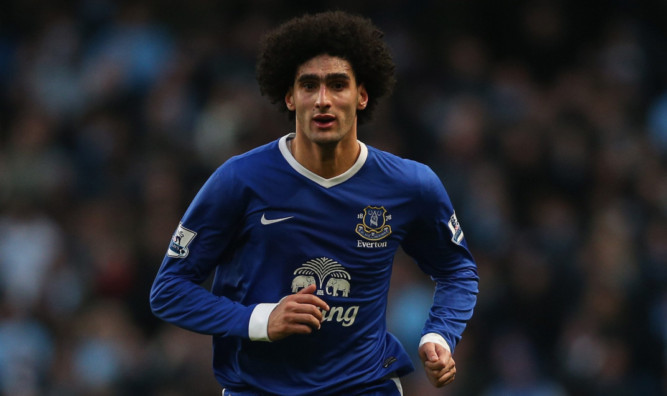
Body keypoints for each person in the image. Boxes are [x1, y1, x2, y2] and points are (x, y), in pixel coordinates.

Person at [150, 10, 479, 396]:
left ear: (362, 95)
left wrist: (439, 334)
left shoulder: (411, 185)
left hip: (366, 386)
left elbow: (457, 270)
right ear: (290, 96)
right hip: (260, 389)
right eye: (309, 85)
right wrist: (260, 319)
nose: (323, 100)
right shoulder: (239, 180)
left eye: (338, 85)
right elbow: (169, 290)